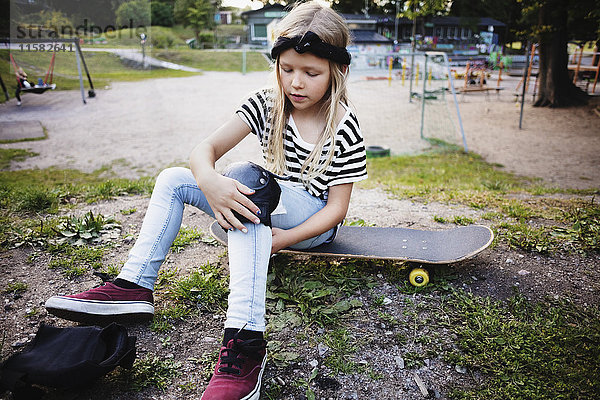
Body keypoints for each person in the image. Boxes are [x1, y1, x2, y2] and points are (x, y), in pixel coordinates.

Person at [44, 2, 367, 399]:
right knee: (175, 179)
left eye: (311, 73)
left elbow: (337, 211)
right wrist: (210, 181)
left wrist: (280, 241)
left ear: (337, 71)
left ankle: (245, 341)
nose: (296, 83)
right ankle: (135, 285)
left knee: (251, 186)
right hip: (269, 200)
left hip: (310, 223)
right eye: (287, 70)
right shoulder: (267, 103)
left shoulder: (344, 126)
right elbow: (206, 148)